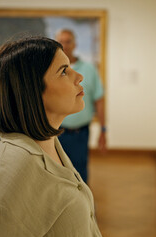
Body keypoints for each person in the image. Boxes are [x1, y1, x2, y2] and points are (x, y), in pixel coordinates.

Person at [0, 36, 103, 237]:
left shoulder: (48, 141)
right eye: (64, 71)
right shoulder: (13, 165)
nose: (79, 76)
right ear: (30, 90)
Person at [55, 29, 107, 184]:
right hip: (56, 133)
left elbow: (99, 100)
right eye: (61, 42)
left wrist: (103, 130)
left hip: (80, 133)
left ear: (75, 44)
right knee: (58, 173)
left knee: (80, 173)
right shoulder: (52, 71)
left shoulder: (89, 70)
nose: (65, 45)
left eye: (68, 41)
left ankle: (83, 207)